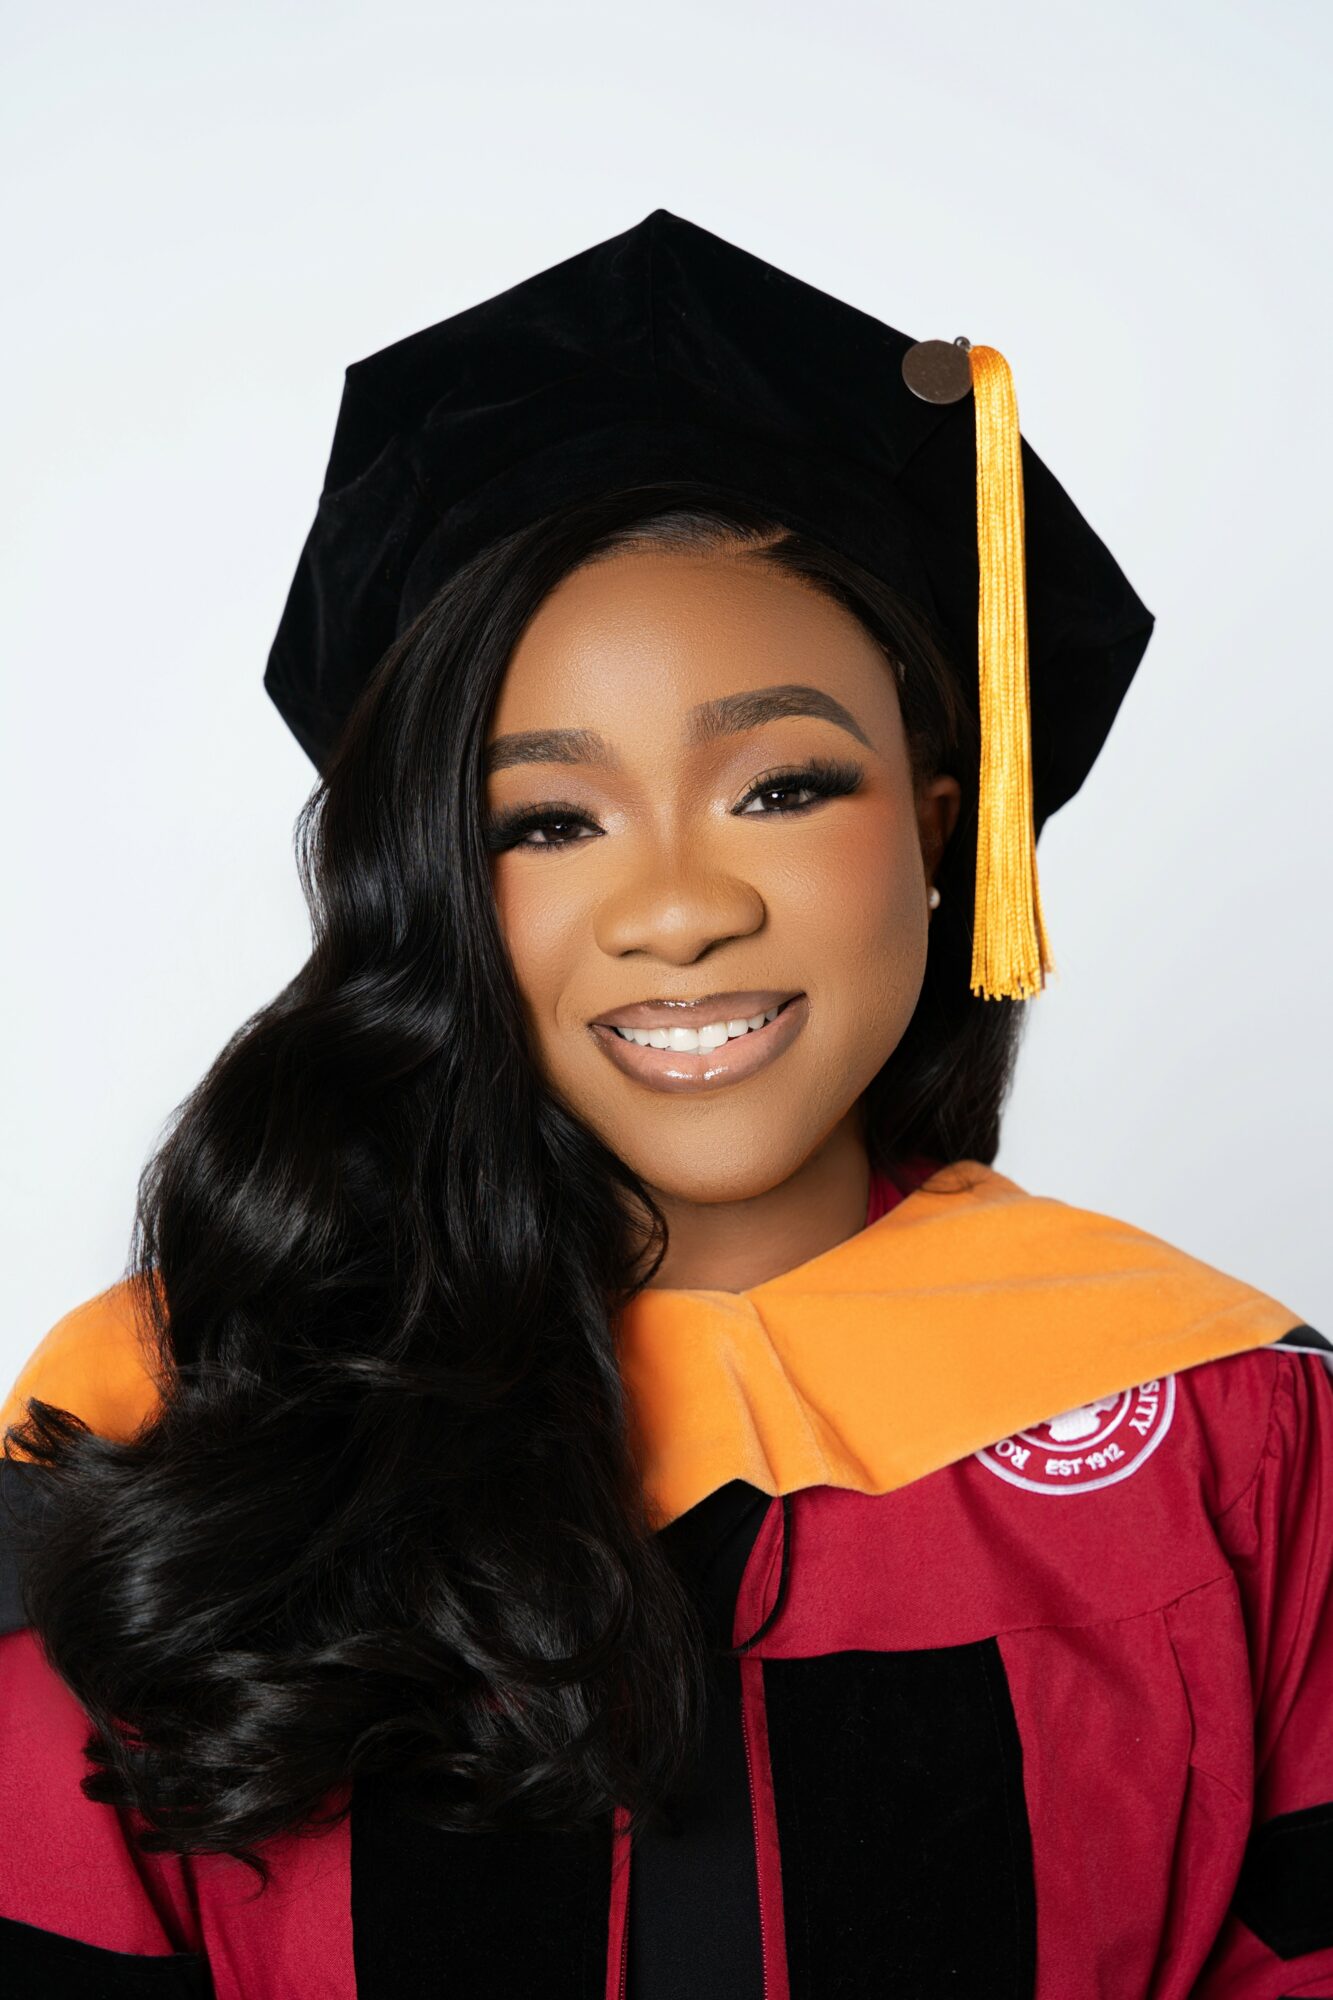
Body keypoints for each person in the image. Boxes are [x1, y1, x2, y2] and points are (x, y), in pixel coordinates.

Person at [2, 209, 1330, 1999]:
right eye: (545, 821)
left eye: (781, 787)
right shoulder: (164, 1426)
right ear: (440, 886)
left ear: (942, 826)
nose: (681, 904)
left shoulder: (1227, 1430)